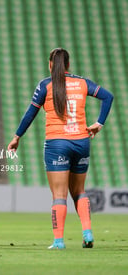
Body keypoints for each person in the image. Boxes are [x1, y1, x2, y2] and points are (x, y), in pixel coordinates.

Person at [7, 48, 113, 249]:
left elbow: (30, 114)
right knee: (79, 190)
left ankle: (58, 241)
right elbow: (108, 97)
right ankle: (88, 233)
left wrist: (17, 137)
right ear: (68, 65)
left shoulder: (45, 85)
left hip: (57, 144)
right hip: (82, 142)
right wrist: (99, 123)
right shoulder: (82, 82)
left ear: (50, 64)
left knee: (59, 194)